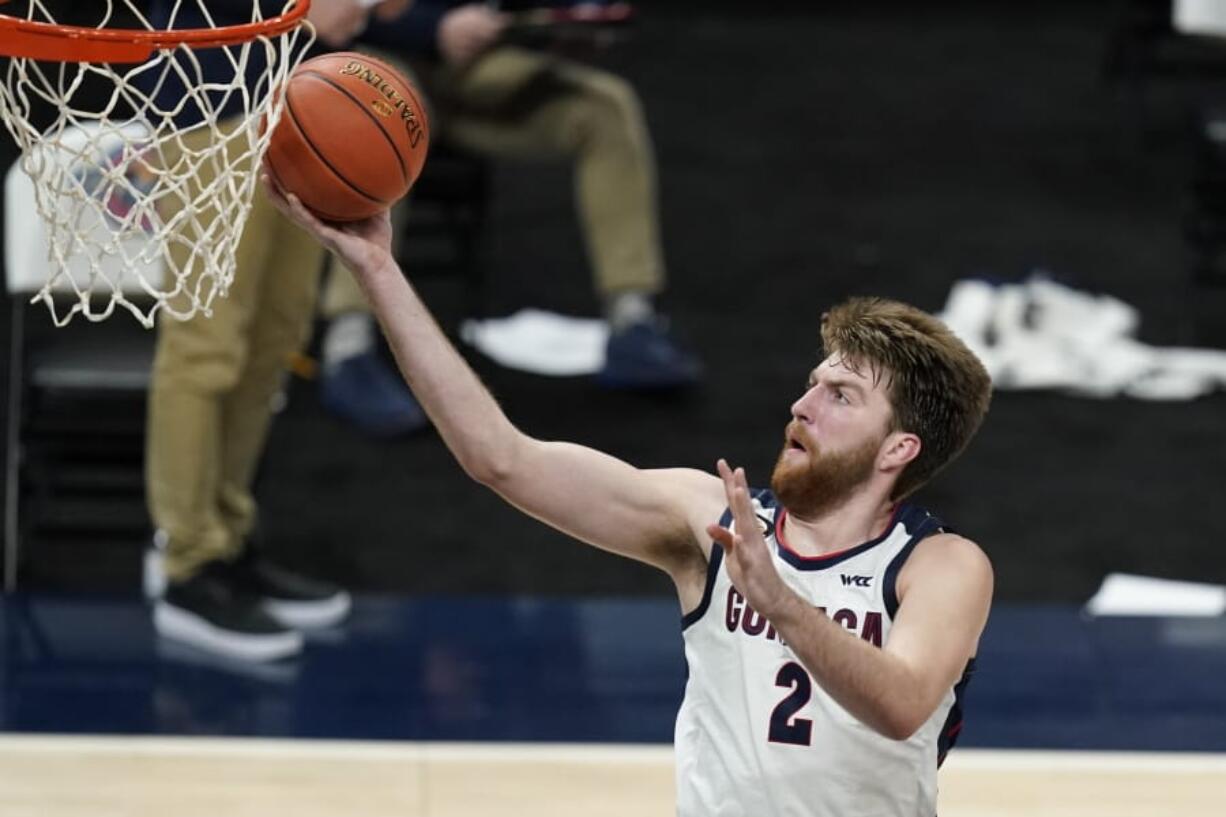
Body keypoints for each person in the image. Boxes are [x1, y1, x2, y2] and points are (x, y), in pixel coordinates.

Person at [265, 170, 995, 814]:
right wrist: (378, 270)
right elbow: (502, 458)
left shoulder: (941, 566)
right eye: (812, 384)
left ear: (899, 447)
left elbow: (901, 704)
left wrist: (779, 602)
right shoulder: (706, 522)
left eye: (841, 395)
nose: (803, 405)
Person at [143, 0, 407, 663]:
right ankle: (186, 564)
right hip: (208, 89)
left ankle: (227, 541)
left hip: (295, 96)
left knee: (274, 338)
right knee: (207, 344)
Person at [315, 0, 703, 436]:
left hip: (476, 63)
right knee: (381, 126)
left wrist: (553, 30)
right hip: (380, 57)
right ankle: (347, 347)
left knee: (606, 106)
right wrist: (432, 27)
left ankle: (632, 319)